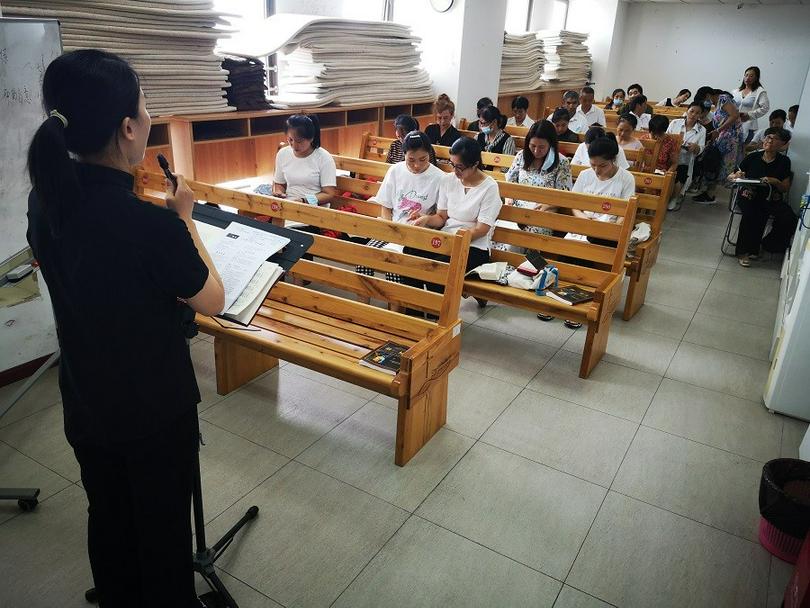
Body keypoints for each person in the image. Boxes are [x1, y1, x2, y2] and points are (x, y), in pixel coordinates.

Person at [26, 49, 225, 608]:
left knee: (108, 515)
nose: (150, 116)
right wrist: (183, 218)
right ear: (128, 128)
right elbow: (211, 298)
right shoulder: (149, 226)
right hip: (152, 410)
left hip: (87, 399)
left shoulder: (46, 202)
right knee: (162, 536)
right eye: (146, 106)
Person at [500, 121, 578, 328]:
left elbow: (563, 194)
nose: (536, 151)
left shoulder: (561, 162)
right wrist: (509, 205)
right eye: (532, 146)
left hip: (544, 211)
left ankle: (536, 281)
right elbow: (509, 184)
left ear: (551, 145)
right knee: (500, 230)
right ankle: (509, 278)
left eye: (541, 147)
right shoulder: (521, 157)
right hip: (517, 208)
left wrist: (543, 207)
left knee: (536, 231)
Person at [408, 137, 503, 290]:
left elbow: (481, 229)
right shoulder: (448, 180)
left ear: (475, 165)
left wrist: (455, 239)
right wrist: (426, 219)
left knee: (438, 270)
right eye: (452, 165)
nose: (455, 171)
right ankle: (414, 308)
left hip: (473, 246)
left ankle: (435, 312)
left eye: (460, 167)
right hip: (447, 239)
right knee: (410, 257)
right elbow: (441, 217)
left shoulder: (489, 187)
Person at [356, 131, 444, 282]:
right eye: (411, 160)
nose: (417, 165)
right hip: (393, 229)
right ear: (404, 154)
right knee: (364, 261)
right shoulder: (396, 170)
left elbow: (441, 217)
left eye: (422, 159)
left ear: (429, 154)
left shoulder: (440, 178)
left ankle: (395, 305)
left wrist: (426, 219)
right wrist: (389, 228)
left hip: (417, 235)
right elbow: (386, 206)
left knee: (395, 269)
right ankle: (363, 305)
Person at [730, 127, 795, 267]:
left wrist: (775, 181)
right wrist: (737, 176)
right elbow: (733, 175)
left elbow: (784, 188)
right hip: (749, 196)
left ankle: (766, 244)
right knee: (751, 212)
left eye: (774, 138)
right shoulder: (752, 157)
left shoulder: (784, 161)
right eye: (768, 137)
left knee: (788, 218)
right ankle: (744, 251)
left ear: (782, 144)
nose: (769, 140)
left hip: (771, 198)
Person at [692, 87, 743, 204]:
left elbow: (734, 115)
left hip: (729, 139)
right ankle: (709, 192)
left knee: (721, 165)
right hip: (722, 137)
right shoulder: (718, 103)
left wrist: (719, 130)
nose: (705, 103)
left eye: (704, 99)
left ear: (709, 95)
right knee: (715, 164)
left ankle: (710, 194)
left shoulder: (724, 99)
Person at [273, 114, 338, 206]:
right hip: (289, 205)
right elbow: (279, 184)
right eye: (290, 140)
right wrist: (279, 192)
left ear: (311, 138)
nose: (294, 145)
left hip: (314, 208)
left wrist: (304, 201)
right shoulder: (283, 154)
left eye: (299, 141)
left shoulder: (323, 157)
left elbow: (328, 194)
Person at [572, 135, 636, 220]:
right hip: (584, 223)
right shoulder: (584, 175)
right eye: (593, 165)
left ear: (613, 159)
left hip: (611, 227)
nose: (596, 171)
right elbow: (574, 205)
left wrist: (609, 228)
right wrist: (585, 220)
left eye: (603, 165)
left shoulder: (626, 178)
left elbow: (626, 212)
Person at [665, 102, 706, 210]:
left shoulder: (702, 130)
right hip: (670, 156)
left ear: (700, 115)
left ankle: (674, 198)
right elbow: (666, 137)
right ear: (687, 111)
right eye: (692, 111)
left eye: (697, 113)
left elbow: (701, 148)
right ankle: (664, 197)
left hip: (685, 159)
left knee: (681, 174)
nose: (693, 115)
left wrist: (695, 147)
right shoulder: (675, 123)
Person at [732, 66, 770, 143]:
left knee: (742, 149)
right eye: (746, 75)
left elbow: (765, 108)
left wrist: (749, 115)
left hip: (748, 125)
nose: (747, 78)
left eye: (751, 76)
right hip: (733, 125)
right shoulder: (736, 91)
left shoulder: (760, 92)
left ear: (756, 78)